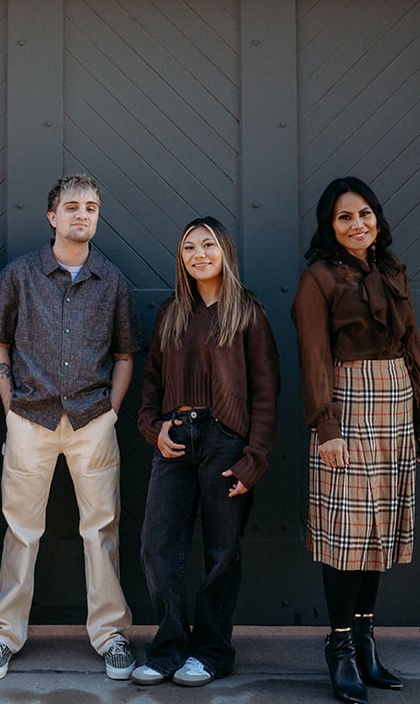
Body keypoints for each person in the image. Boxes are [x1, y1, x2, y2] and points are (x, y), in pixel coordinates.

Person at [0, 174, 143, 681]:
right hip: (30, 418)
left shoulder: (111, 280)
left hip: (93, 422)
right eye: (72, 207)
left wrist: (112, 410)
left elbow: (124, 354)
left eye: (91, 207)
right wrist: (9, 404)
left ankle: (111, 635)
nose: (82, 215)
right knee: (21, 530)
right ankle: (4, 635)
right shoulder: (20, 275)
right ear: (52, 217)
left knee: (101, 530)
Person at [291, 177, 420, 704]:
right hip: (347, 402)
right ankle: (339, 648)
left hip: (397, 401)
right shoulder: (318, 279)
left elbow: (413, 346)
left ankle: (365, 638)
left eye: (365, 214)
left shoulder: (391, 270)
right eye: (344, 217)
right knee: (348, 533)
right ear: (329, 227)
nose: (358, 224)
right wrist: (325, 427)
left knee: (379, 533)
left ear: (377, 217)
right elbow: (312, 356)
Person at [133, 217, 280, 688]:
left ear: (225, 252)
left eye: (208, 245)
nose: (199, 254)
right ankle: (169, 647)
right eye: (189, 247)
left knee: (222, 553)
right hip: (175, 441)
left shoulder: (248, 312)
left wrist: (254, 456)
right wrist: (152, 428)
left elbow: (265, 389)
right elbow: (151, 383)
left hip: (226, 442)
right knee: (157, 548)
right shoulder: (170, 312)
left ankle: (213, 652)